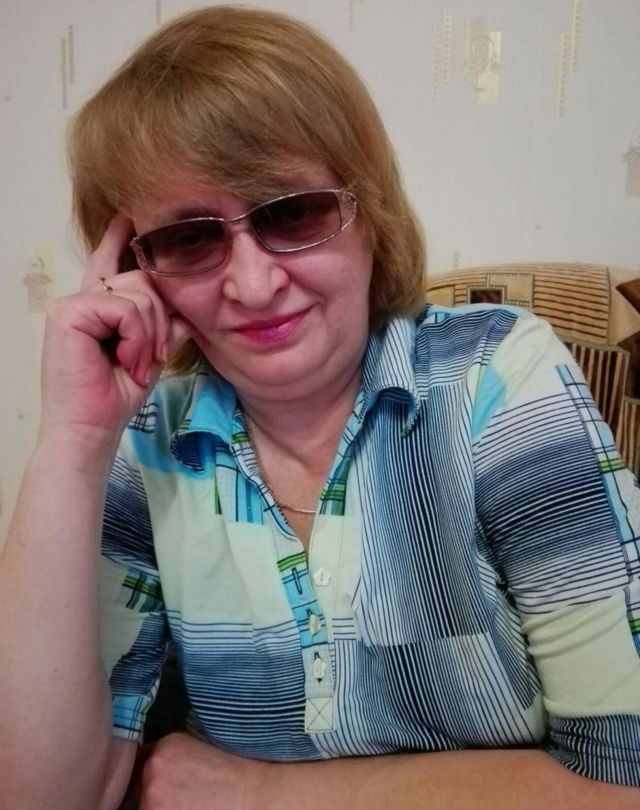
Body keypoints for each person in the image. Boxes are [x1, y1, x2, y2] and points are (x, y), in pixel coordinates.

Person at [1, 6, 639, 810]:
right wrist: (72, 442)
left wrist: (265, 793)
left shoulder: (496, 379)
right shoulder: (148, 446)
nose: (254, 284)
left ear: (369, 211)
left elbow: (622, 779)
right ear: (137, 269)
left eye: (291, 212)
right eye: (190, 238)